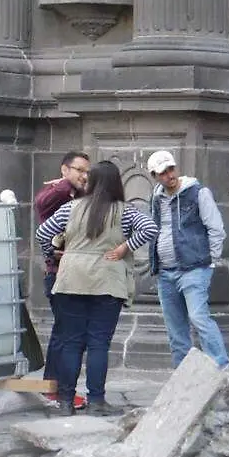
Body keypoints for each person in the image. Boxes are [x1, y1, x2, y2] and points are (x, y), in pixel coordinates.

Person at [36, 160, 157, 416]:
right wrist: (125, 247)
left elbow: (42, 233)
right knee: (99, 344)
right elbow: (150, 228)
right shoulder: (125, 211)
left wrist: (54, 254)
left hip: (71, 280)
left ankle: (66, 401)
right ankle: (97, 401)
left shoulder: (71, 207)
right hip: (108, 282)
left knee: (71, 343)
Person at [146, 150, 229, 368]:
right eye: (163, 172)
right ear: (155, 176)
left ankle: (222, 368)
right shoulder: (156, 197)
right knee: (175, 330)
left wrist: (211, 260)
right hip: (165, 272)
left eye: (171, 169)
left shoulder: (198, 192)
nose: (169, 175)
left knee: (199, 318)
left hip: (194, 268)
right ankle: (182, 377)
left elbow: (216, 228)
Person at [33, 150, 91, 409]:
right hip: (57, 273)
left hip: (74, 271)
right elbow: (41, 202)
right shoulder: (56, 192)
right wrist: (66, 184)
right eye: (79, 170)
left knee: (64, 332)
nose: (84, 175)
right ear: (64, 169)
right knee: (67, 334)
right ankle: (56, 390)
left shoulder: (76, 195)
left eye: (86, 171)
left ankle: (53, 388)